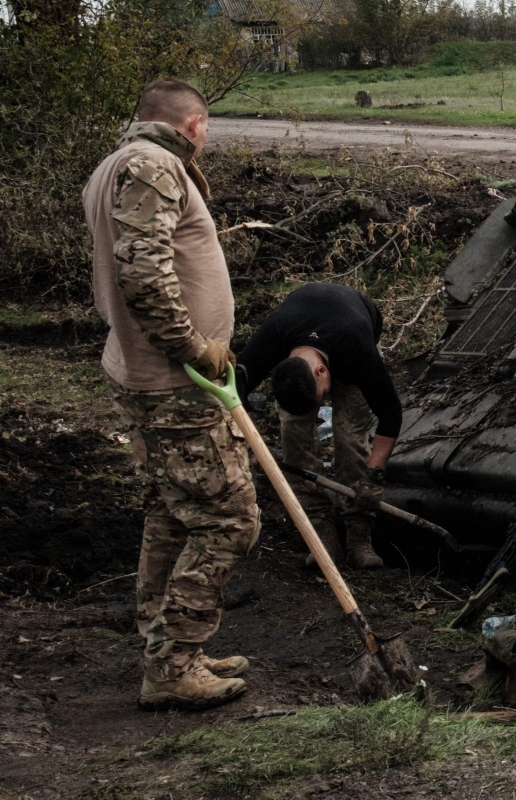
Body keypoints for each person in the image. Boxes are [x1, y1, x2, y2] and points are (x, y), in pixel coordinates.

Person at [83, 77, 259, 709]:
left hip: (142, 374)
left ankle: (167, 643)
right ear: (192, 126)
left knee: (171, 510)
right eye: (205, 130)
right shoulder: (154, 167)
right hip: (173, 384)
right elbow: (144, 271)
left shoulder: (113, 166)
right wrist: (194, 348)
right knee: (229, 520)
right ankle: (171, 664)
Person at [238, 282, 403, 570]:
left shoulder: (357, 349)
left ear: (322, 372)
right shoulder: (272, 338)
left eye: (320, 397)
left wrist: (373, 479)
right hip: (302, 329)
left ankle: (358, 535)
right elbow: (234, 391)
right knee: (294, 435)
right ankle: (321, 534)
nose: (320, 407)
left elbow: (391, 415)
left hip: (351, 338)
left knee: (349, 438)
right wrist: (257, 446)